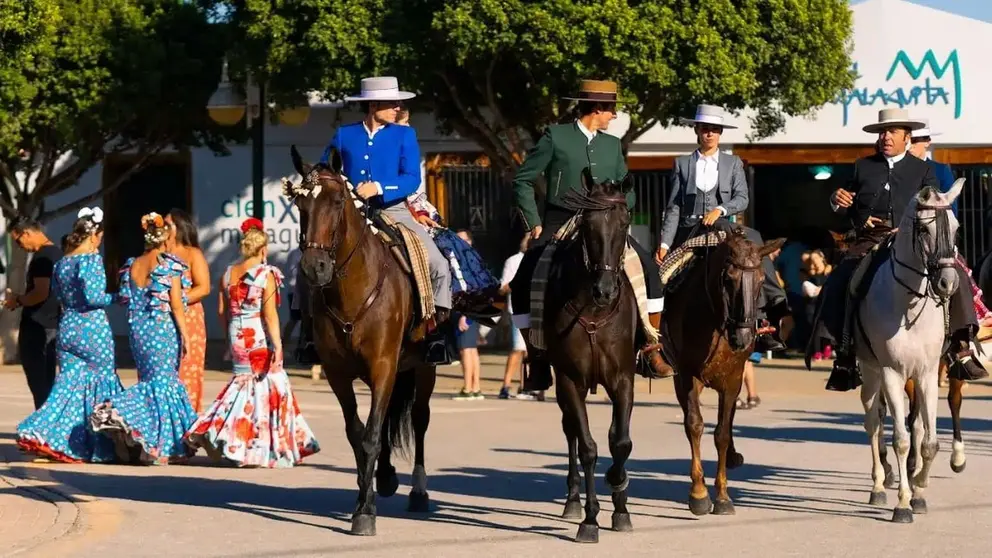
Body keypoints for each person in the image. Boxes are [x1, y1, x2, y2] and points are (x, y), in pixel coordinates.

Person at [509, 79, 669, 391]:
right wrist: (533, 222)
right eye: (612, 110)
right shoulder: (555, 137)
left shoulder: (612, 145)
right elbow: (523, 180)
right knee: (523, 278)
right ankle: (538, 358)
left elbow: (628, 187)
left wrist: (621, 209)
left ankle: (651, 349)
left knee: (650, 268)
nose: (615, 116)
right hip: (560, 219)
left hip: (604, 223)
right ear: (598, 109)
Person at [822, 108, 986, 391]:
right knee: (843, 280)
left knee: (955, 272)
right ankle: (845, 355)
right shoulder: (863, 166)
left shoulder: (923, 170)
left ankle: (960, 346)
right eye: (882, 132)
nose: (885, 137)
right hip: (872, 238)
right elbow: (847, 208)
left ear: (906, 138)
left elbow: (936, 207)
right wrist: (838, 201)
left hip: (914, 241)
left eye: (892, 132)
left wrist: (910, 228)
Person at [319, 76, 454, 364]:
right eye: (393, 102)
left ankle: (437, 335)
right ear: (373, 104)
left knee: (439, 265)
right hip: (350, 213)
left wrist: (379, 187)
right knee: (308, 259)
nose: (398, 107)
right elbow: (325, 170)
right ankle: (310, 336)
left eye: (398, 102)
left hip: (394, 211)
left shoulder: (405, 135)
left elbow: (411, 179)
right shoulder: (344, 135)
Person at [185, 218, 320, 467]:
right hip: (256, 335)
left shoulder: (228, 273)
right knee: (271, 385)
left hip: (237, 335)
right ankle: (247, 441)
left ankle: (225, 433)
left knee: (245, 386)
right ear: (262, 249)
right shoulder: (265, 274)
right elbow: (269, 315)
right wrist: (278, 344)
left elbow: (222, 312)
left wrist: (229, 339)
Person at [655, 104, 791, 352]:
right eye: (705, 129)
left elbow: (742, 198)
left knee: (752, 253)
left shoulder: (733, 163)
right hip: (691, 232)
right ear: (696, 130)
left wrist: (721, 209)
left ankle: (769, 313)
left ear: (720, 133)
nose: (710, 134)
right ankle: (655, 338)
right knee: (663, 276)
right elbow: (673, 207)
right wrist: (664, 244)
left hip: (723, 229)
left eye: (715, 130)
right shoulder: (681, 164)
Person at [89, 212, 197, 464]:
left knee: (151, 382)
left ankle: (142, 435)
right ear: (164, 239)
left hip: (139, 332)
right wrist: (185, 334)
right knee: (165, 383)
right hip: (162, 330)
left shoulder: (133, 264)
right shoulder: (170, 265)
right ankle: (154, 441)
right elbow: (177, 307)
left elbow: (127, 300)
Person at [16, 208, 123, 462]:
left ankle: (46, 434)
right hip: (91, 328)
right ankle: (100, 444)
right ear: (95, 235)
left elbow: (60, 297)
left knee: (67, 388)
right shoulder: (91, 260)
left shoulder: (62, 263)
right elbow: (95, 297)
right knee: (101, 383)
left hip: (68, 328)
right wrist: (120, 297)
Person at [6, 218, 63, 409]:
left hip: (38, 326)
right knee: (47, 381)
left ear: (27, 233)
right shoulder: (58, 253)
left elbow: (40, 292)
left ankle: (43, 429)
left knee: (40, 383)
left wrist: (18, 300)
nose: (20, 247)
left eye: (18, 241)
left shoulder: (42, 257)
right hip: (53, 323)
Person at [165, 209, 210, 413]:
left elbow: (204, 287)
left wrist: (177, 299)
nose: (163, 228)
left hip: (189, 318)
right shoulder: (158, 254)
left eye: (168, 224)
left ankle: (188, 420)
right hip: (162, 320)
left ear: (179, 228)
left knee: (188, 371)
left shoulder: (193, 253)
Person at [499, 235, 530, 399]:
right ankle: (506, 386)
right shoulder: (514, 261)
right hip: (520, 310)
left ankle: (525, 387)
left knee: (530, 352)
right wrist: (517, 283)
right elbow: (503, 288)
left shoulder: (539, 260)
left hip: (537, 312)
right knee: (518, 349)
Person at [282, 246, 303, 358]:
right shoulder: (296, 253)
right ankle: (282, 347)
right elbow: (293, 272)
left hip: (306, 291)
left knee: (305, 321)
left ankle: (302, 347)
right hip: (296, 291)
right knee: (294, 319)